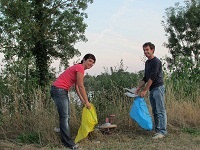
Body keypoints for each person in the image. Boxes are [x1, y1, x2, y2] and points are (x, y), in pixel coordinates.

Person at [50, 53, 96, 149]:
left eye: (93, 63)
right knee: (65, 116)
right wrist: (87, 101)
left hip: (60, 90)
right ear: (84, 60)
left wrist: (83, 100)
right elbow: (81, 86)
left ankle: (64, 137)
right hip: (59, 89)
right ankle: (69, 143)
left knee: (65, 116)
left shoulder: (79, 68)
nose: (91, 64)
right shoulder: (80, 68)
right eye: (90, 61)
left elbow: (76, 87)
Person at [135, 42, 167, 139]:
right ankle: (157, 130)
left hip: (158, 88)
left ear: (152, 50)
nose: (145, 52)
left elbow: (152, 78)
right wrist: (138, 88)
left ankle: (162, 131)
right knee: (155, 110)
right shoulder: (147, 63)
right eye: (144, 50)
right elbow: (145, 78)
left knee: (160, 110)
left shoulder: (156, 61)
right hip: (152, 89)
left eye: (147, 50)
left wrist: (144, 90)